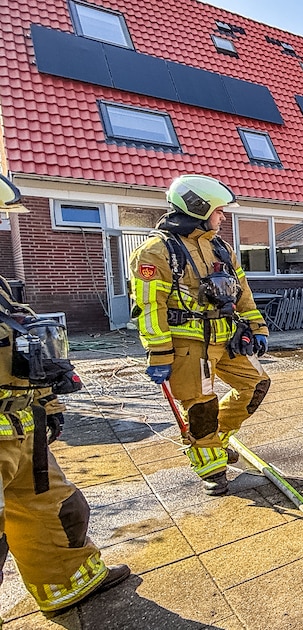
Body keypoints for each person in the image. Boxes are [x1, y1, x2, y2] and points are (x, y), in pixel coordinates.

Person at [0, 174, 129, 614]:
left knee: (58, 508)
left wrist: (49, 403)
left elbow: (25, 351)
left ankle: (69, 585)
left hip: (21, 424)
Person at [128, 174, 270, 496]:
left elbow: (242, 292)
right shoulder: (156, 252)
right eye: (219, 211)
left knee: (256, 385)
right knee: (200, 405)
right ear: (198, 207)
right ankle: (211, 466)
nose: (223, 216)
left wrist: (257, 328)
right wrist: (159, 353)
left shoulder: (220, 247)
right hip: (189, 347)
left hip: (228, 338)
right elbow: (151, 308)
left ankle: (216, 439)